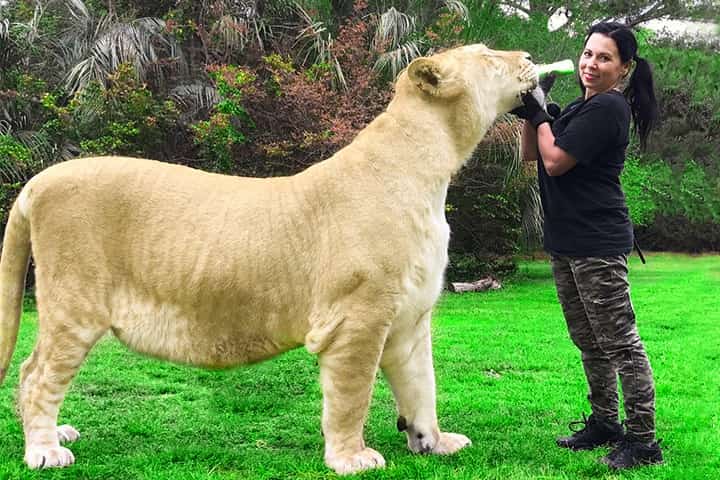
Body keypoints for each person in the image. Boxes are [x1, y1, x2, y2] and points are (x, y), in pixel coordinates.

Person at [510, 22, 663, 469]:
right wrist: (531, 111)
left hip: (597, 243)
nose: (591, 64)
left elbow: (555, 163)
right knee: (589, 341)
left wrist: (541, 113)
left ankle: (643, 440)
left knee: (620, 343)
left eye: (604, 58)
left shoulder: (610, 109)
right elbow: (532, 156)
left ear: (625, 67)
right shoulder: (581, 108)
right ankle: (604, 423)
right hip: (568, 242)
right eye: (588, 54)